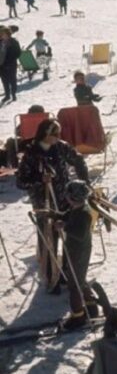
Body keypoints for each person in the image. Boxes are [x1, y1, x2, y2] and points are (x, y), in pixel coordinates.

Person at [17, 119, 90, 293]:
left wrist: (84, 183)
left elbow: (78, 160)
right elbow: (21, 182)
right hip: (44, 203)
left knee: (68, 236)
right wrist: (39, 180)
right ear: (45, 134)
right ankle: (51, 278)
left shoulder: (61, 147)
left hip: (65, 200)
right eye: (55, 134)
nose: (59, 137)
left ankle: (67, 273)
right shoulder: (32, 154)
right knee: (49, 240)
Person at [42, 179, 98, 329]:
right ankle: (91, 304)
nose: (66, 197)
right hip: (74, 249)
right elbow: (66, 216)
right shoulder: (76, 208)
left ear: (74, 197)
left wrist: (64, 226)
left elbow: (79, 233)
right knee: (79, 278)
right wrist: (54, 215)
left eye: (68, 195)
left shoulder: (85, 213)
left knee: (74, 285)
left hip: (80, 250)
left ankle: (77, 316)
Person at [0, 25, 21, 103]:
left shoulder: (14, 42)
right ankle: (7, 95)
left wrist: (10, 60)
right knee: (4, 81)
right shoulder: (0, 42)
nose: (2, 35)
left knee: (12, 80)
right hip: (2, 65)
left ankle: (13, 94)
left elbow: (18, 53)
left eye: (3, 34)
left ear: (8, 34)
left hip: (11, 64)